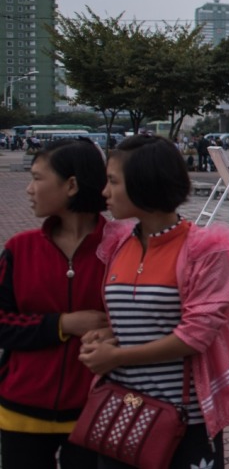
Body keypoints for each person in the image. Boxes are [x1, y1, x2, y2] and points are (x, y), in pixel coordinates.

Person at [79, 135, 229, 467]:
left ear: (145, 183)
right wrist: (105, 337)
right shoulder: (117, 245)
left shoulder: (205, 251)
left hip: (182, 421)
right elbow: (132, 319)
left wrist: (118, 356)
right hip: (123, 413)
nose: (104, 192)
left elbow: (195, 335)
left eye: (113, 182)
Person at [0, 140, 108, 469]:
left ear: (71, 185)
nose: (30, 189)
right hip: (21, 411)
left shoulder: (120, 249)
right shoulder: (20, 248)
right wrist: (62, 325)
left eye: (37, 178)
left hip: (96, 410)